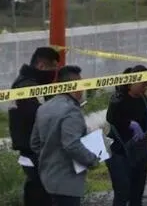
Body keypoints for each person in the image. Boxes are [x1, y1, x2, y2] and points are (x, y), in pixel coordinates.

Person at [30, 65, 100, 206]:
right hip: (67, 181)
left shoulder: (44, 108)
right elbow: (71, 144)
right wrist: (92, 159)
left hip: (47, 178)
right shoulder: (71, 111)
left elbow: (35, 143)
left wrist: (50, 155)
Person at [8, 47, 60, 206]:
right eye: (53, 68)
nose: (54, 73)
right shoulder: (26, 86)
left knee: (41, 191)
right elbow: (37, 115)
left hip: (38, 149)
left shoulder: (36, 84)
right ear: (41, 66)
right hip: (32, 151)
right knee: (39, 194)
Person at [106, 65, 147, 206]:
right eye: (142, 84)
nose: (144, 88)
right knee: (122, 192)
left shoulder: (143, 99)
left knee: (137, 193)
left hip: (138, 151)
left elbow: (145, 121)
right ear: (132, 81)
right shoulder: (118, 99)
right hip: (120, 152)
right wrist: (129, 124)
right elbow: (111, 118)